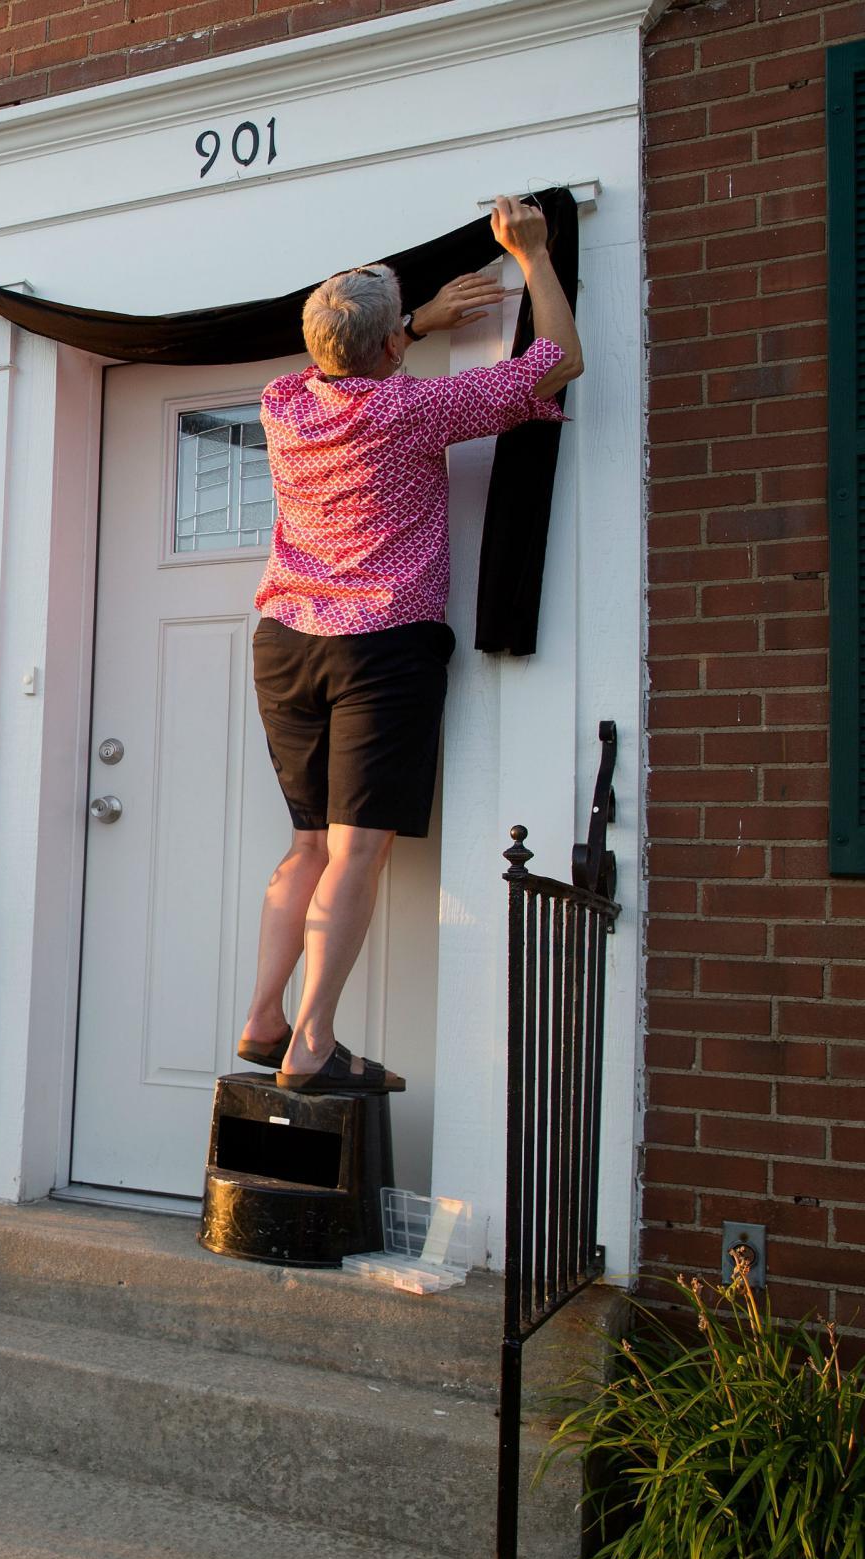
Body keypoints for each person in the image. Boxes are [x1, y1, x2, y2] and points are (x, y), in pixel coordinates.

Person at [235, 194, 583, 1093]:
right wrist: (533, 254)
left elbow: (347, 364)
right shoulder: (413, 411)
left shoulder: (280, 402)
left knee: (305, 844)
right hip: (379, 645)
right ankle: (311, 1048)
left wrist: (411, 324)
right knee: (355, 851)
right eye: (402, 331)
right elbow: (559, 362)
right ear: (392, 351)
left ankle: (263, 1018)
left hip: (285, 641)